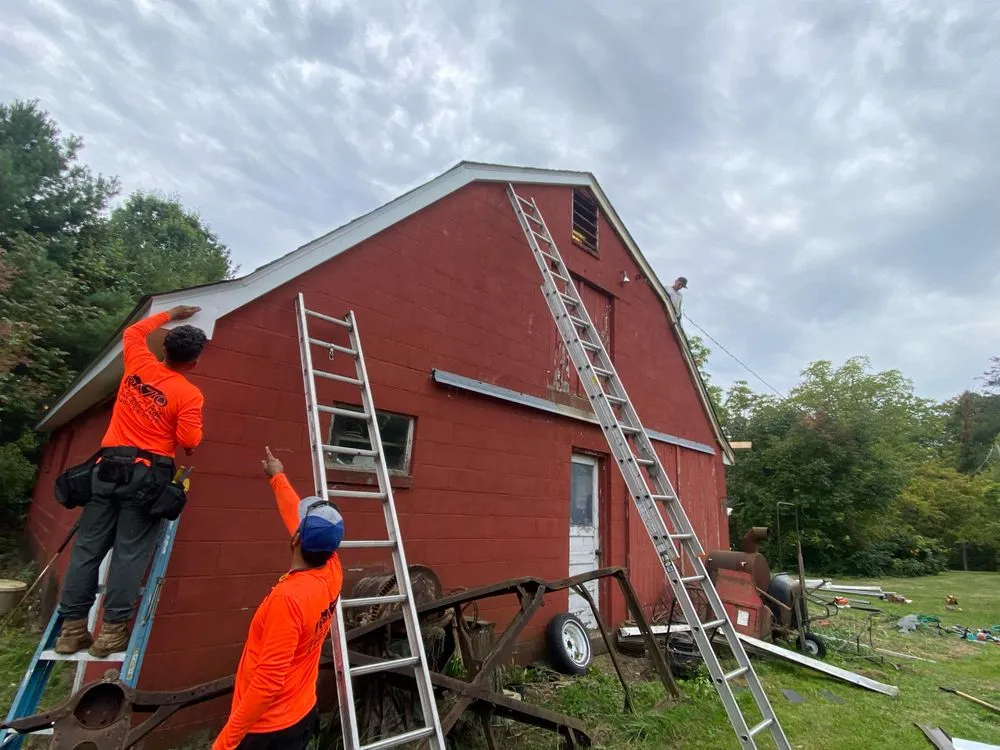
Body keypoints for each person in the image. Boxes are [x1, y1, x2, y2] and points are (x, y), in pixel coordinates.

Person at [55, 305, 207, 657]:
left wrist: (171, 314)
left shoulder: (138, 364)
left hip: (106, 469)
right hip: (147, 477)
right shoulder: (189, 394)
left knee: (88, 550)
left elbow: (133, 333)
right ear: (194, 363)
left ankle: (72, 630)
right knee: (129, 553)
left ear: (164, 350)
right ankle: (109, 634)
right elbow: (189, 441)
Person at [212, 447, 345, 750]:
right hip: (302, 711)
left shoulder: (289, 600)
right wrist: (277, 476)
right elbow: (294, 515)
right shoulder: (332, 568)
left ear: (297, 539)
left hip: (269, 730)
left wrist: (225, 743)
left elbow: (267, 683)